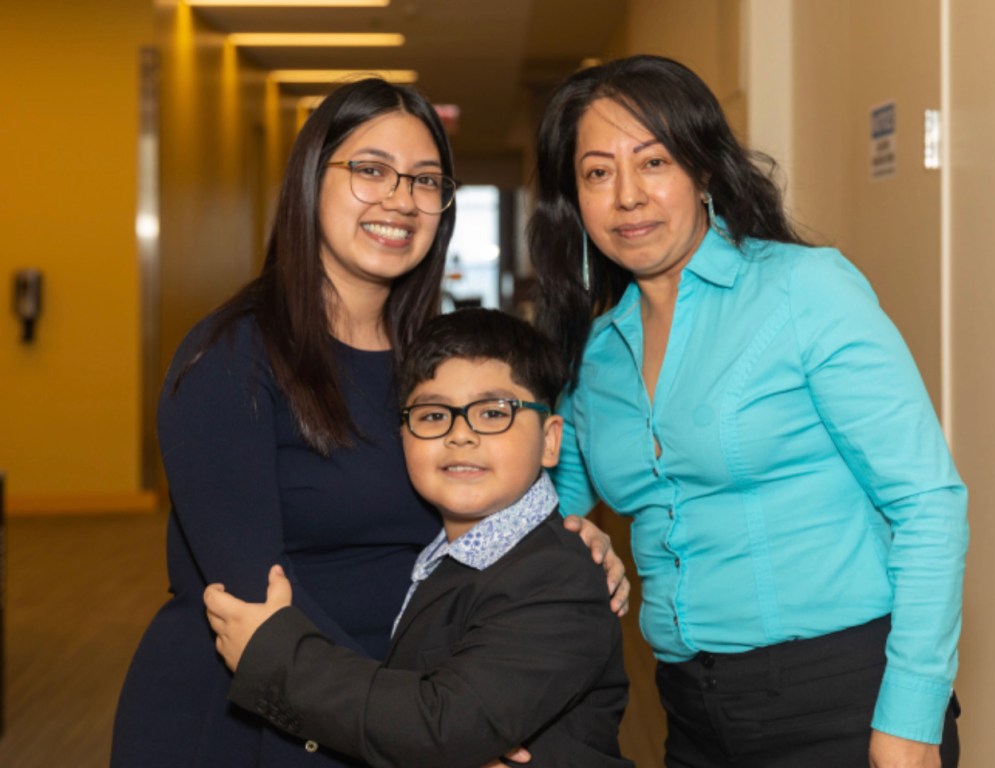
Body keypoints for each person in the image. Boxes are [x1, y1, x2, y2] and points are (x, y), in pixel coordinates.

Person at [112, 78, 626, 768]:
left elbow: (487, 500)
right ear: (308, 180)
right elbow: (252, 599)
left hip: (389, 704)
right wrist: (424, 724)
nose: (400, 198)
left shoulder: (436, 363)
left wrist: (563, 535)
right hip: (255, 714)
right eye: (371, 170)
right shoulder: (229, 357)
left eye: (424, 180)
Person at [528, 54, 968, 768]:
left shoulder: (803, 290)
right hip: (691, 711)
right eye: (598, 173)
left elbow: (929, 503)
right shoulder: (596, 354)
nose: (628, 197)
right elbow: (548, 521)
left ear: (703, 172)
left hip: (845, 697)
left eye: (655, 162)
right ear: (574, 199)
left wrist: (912, 716)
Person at [203, 308, 633, 768]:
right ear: (403, 436)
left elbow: (444, 726)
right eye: (432, 415)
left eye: (493, 412)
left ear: (550, 441)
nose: (461, 435)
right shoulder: (435, 554)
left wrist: (277, 659)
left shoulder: (558, 576)